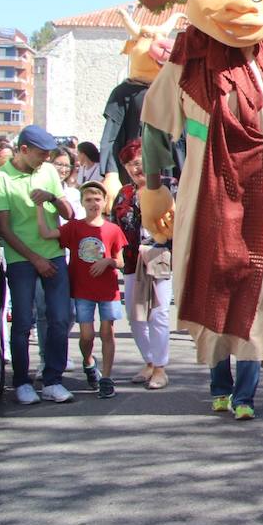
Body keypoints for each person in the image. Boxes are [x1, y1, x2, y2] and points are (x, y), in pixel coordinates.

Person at [138, 0, 263, 423]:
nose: (241, 4)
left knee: (260, 289)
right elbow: (156, 123)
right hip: (205, 191)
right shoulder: (189, 53)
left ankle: (246, 393)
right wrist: (152, 187)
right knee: (212, 285)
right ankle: (219, 384)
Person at [0, 125, 76, 404]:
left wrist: (53, 197)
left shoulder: (49, 172)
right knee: (22, 322)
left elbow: (69, 214)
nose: (47, 159)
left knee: (60, 318)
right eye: (42, 154)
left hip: (53, 254)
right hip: (21, 259)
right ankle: (21, 381)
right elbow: (4, 229)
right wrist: (35, 259)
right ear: (23, 150)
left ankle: (53, 380)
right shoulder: (2, 178)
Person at [43, 180, 127, 398]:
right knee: (87, 335)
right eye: (88, 200)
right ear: (82, 203)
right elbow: (46, 234)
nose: (93, 203)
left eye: (97, 199)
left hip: (107, 290)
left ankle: (106, 378)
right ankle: (89, 362)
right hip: (82, 289)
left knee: (107, 332)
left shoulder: (113, 229)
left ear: (104, 201)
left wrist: (108, 261)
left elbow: (121, 261)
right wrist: (39, 206)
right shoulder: (74, 227)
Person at [114, 139, 171, 389]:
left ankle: (160, 367)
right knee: (134, 315)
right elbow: (115, 225)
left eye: (139, 162)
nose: (136, 169)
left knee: (159, 313)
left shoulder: (168, 187)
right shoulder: (123, 194)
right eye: (130, 165)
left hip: (160, 256)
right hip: (130, 260)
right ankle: (149, 361)